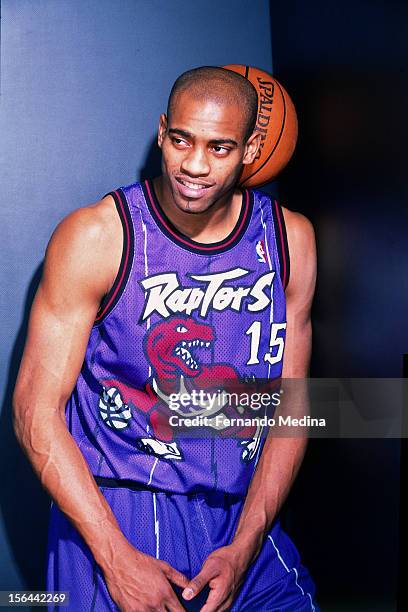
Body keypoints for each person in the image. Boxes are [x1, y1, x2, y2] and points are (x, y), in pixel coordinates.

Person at [13, 66, 318, 611]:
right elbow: (34, 411)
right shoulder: (96, 237)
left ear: (251, 149)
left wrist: (246, 546)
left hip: (240, 516)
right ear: (162, 132)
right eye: (182, 140)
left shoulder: (290, 241)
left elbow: (290, 411)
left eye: (220, 148)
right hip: (114, 511)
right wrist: (117, 558)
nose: (194, 166)